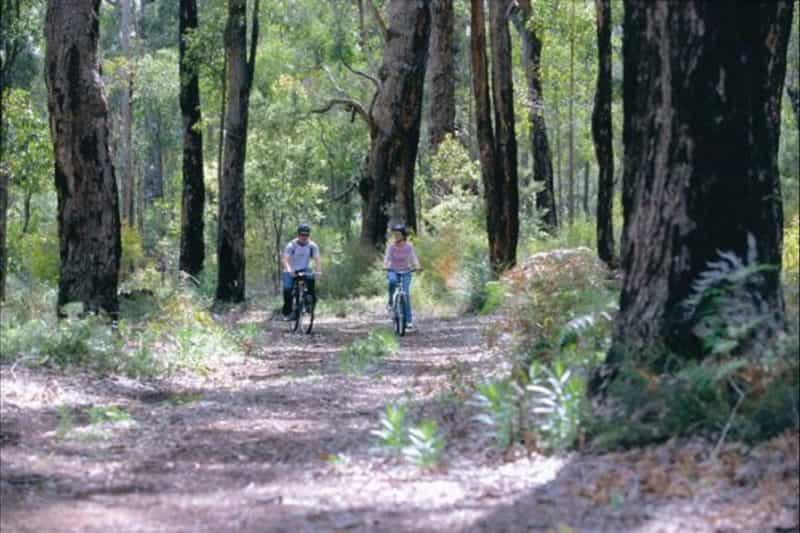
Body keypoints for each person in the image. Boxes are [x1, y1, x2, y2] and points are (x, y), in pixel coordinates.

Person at [384, 223, 421, 330]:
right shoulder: (391, 247)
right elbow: (387, 258)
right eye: (394, 234)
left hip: (406, 271)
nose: (396, 236)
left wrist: (417, 266)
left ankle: (409, 321)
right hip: (393, 270)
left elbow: (414, 258)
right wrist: (385, 265)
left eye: (398, 234)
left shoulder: (408, 247)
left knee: (405, 294)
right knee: (392, 282)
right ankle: (391, 302)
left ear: (403, 235)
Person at [282, 223, 321, 319]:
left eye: (306, 235)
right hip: (290, 269)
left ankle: (309, 305)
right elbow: (285, 259)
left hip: (304, 268)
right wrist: (289, 270)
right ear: (298, 234)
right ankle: (288, 311)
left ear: (309, 235)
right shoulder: (291, 245)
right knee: (287, 289)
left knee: (311, 281)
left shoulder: (312, 246)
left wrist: (318, 271)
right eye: (302, 235)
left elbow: (317, 259)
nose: (304, 237)